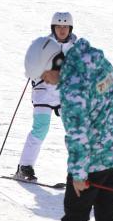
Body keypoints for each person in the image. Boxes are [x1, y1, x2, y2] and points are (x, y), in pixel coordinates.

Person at [24, 35, 113, 221]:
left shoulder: (71, 90)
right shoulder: (96, 61)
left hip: (93, 162)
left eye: (44, 76)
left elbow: (78, 136)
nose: (46, 82)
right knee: (108, 214)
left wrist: (78, 175)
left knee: (75, 215)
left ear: (55, 63)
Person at [15, 12, 77, 182]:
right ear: (53, 28)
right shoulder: (44, 44)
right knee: (40, 128)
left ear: (70, 28)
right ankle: (25, 166)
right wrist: (34, 75)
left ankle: (79, 171)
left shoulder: (76, 47)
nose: (62, 30)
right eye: (59, 26)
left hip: (65, 94)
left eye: (65, 27)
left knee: (74, 130)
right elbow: (31, 62)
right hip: (44, 91)